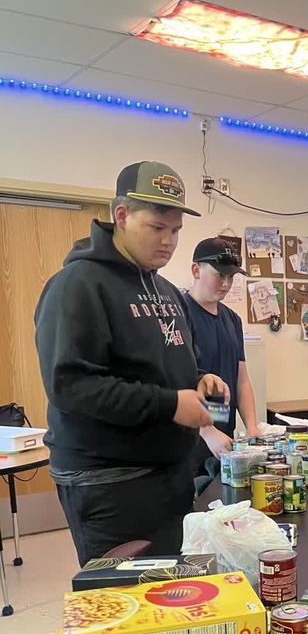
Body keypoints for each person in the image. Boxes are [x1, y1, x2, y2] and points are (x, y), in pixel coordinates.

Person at [35, 160, 229, 565]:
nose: (168, 242)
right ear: (121, 216)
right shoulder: (77, 286)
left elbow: (168, 368)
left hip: (169, 475)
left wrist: (199, 380)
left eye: (175, 231)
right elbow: (71, 386)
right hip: (109, 483)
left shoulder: (165, 290)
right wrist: (170, 404)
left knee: (170, 602)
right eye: (156, 228)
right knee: (127, 606)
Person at [185, 237, 259, 475]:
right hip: (189, 440)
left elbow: (241, 380)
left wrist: (252, 427)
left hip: (224, 437)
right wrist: (206, 432)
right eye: (220, 275)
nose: (226, 283)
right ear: (196, 270)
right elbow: (174, 381)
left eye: (231, 277)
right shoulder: (178, 316)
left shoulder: (232, 320)